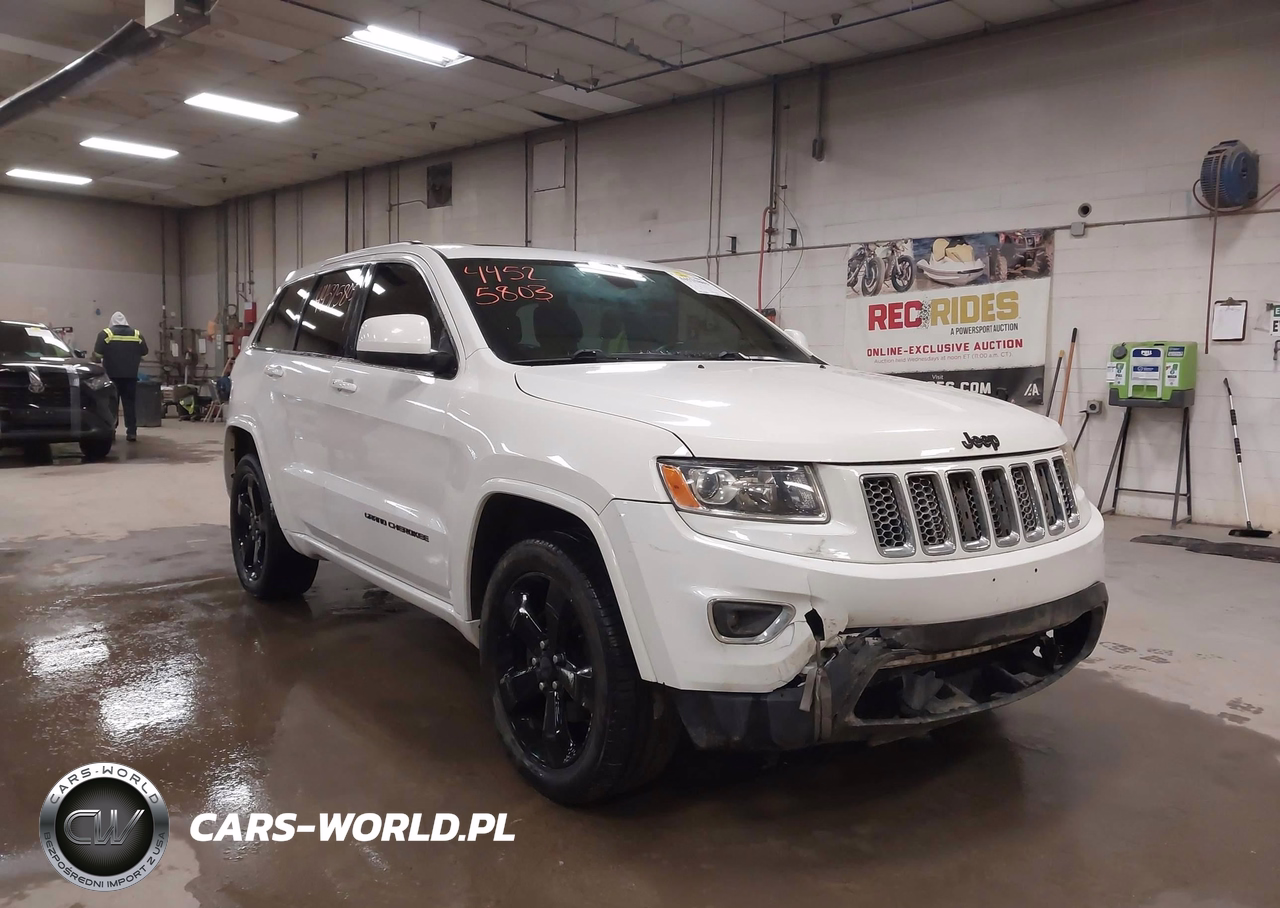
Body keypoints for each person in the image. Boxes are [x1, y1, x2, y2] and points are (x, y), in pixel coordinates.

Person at [93, 311, 148, 441]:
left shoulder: (105, 334)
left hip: (111, 377)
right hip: (130, 377)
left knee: (112, 405)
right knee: (129, 404)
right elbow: (144, 353)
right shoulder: (137, 334)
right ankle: (132, 432)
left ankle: (111, 431)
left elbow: (97, 356)